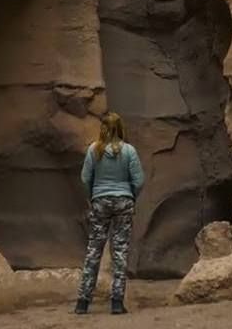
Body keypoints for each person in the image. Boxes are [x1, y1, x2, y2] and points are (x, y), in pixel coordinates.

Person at [74, 112, 145, 315]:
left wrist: (93, 196)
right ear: (121, 128)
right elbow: (139, 180)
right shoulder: (129, 151)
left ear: (102, 128)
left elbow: (85, 178)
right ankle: (116, 302)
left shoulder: (94, 150)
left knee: (94, 250)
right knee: (120, 251)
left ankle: (82, 302)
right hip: (124, 201)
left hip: (100, 201)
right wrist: (131, 196)